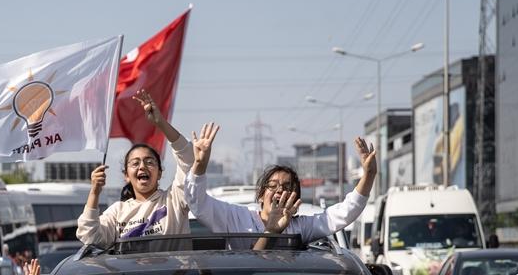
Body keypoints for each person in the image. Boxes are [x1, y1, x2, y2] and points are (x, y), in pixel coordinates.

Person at [185, 126, 375, 246]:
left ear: (296, 200)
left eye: (286, 186)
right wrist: (199, 165)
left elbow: (343, 213)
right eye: (273, 185)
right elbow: (198, 205)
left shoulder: (301, 226)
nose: (280, 191)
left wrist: (369, 174)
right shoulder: (238, 218)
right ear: (260, 195)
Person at [76, 91, 203, 246]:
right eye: (135, 163)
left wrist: (161, 123)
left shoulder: (174, 199)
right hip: (133, 272)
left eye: (149, 162)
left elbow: (188, 158)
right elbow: (90, 237)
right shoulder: (117, 211)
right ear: (127, 175)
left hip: (173, 271)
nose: (142, 166)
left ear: (160, 173)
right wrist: (94, 191)